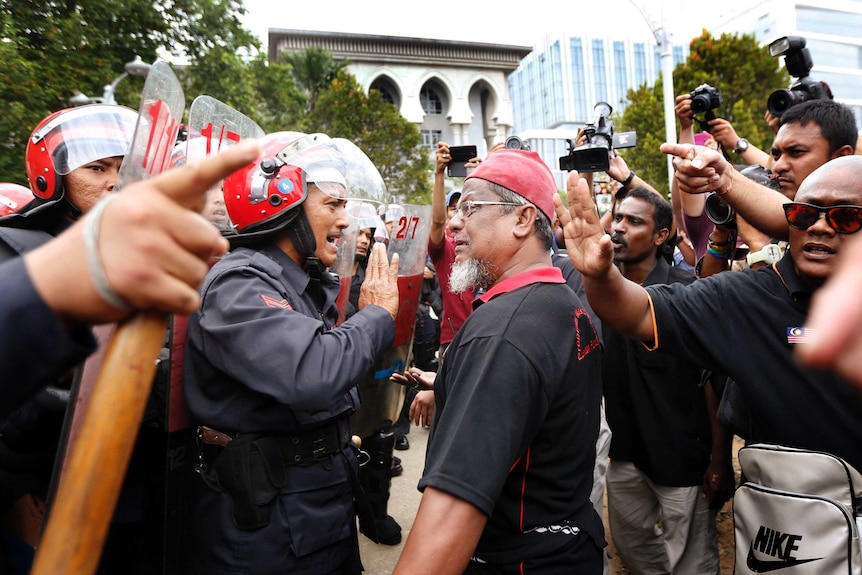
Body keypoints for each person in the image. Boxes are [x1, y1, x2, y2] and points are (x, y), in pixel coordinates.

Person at [556, 152, 862, 479]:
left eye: (845, 217)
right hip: (784, 514)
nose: (818, 226)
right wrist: (601, 277)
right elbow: (638, 312)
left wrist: (729, 180)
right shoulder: (747, 297)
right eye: (802, 214)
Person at [183, 131, 400, 575]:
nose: (345, 221)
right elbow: (313, 371)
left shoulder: (300, 282)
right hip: (271, 525)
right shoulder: (239, 284)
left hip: (318, 502)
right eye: (332, 205)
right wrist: (376, 314)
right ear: (280, 203)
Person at [394, 149, 605, 574]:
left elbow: (451, 516)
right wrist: (453, 384)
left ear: (524, 219)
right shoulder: (558, 300)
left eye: (470, 207)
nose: (454, 222)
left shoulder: (503, 330)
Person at [600, 185, 720, 575]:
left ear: (661, 235)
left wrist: (719, 458)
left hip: (681, 457)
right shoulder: (600, 292)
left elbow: (711, 383)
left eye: (634, 221)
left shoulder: (685, 293)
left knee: (692, 562)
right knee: (632, 546)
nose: (619, 228)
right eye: (617, 218)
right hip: (625, 454)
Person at [429, 143, 474, 357]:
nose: (459, 216)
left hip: (487, 336)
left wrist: (479, 175)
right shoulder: (447, 250)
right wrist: (439, 174)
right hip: (453, 342)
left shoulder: (490, 247)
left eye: (467, 208)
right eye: (453, 209)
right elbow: (437, 223)